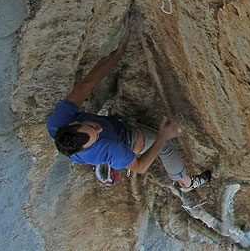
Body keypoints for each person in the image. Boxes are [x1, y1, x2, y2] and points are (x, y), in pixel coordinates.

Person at [46, 29, 210, 192]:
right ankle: (186, 183)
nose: (99, 127)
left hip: (110, 137)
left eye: (93, 126)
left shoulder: (58, 121)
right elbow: (139, 167)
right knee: (166, 147)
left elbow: (87, 84)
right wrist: (162, 137)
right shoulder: (109, 148)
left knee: (111, 139)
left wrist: (117, 54)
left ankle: (113, 158)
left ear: (73, 123)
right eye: (96, 133)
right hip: (127, 139)